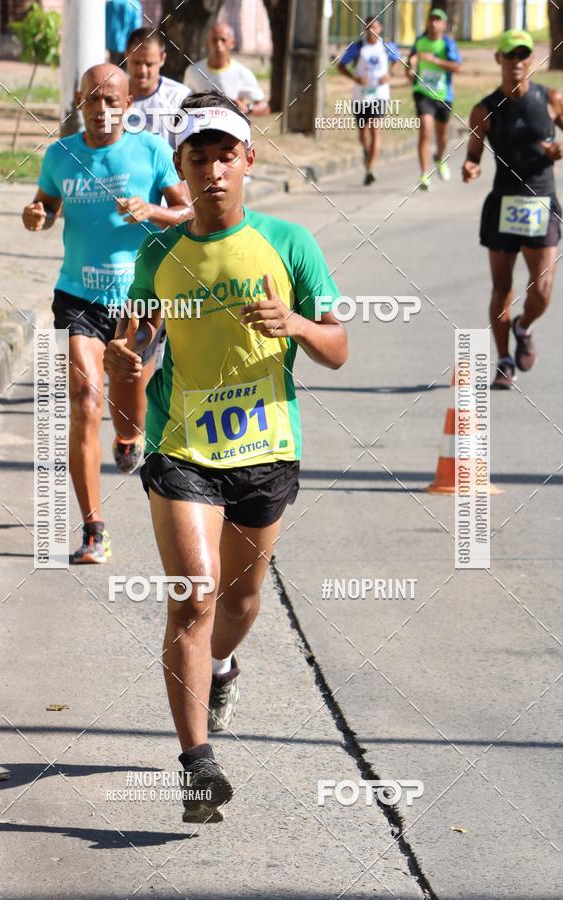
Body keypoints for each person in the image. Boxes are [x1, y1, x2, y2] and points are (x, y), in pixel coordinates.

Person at [104, 91, 347, 823]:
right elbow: (133, 342)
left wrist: (298, 322)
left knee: (240, 603)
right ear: (180, 166)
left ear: (247, 160)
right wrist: (124, 365)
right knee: (196, 595)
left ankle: (221, 664)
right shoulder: (157, 252)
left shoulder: (290, 243)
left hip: (268, 447)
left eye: (224, 156)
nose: (212, 170)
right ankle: (197, 767)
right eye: (198, 157)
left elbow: (338, 349)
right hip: (182, 445)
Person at [22, 64, 193, 563]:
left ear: (127, 103)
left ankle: (128, 435)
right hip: (76, 294)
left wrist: (154, 212)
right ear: (79, 102)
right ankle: (94, 529)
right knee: (83, 399)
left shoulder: (152, 151)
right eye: (91, 99)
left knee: (126, 399)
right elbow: (44, 206)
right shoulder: (60, 154)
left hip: (137, 300)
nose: (101, 109)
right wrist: (36, 216)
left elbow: (189, 211)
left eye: (110, 100)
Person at [462, 30, 563, 389]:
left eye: (523, 54)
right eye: (510, 55)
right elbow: (472, 156)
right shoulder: (484, 109)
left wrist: (558, 150)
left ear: (531, 59)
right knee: (501, 289)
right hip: (504, 204)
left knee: (544, 287)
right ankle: (504, 360)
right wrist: (470, 167)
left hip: (541, 201)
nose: (516, 61)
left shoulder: (551, 99)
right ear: (499, 60)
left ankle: (524, 326)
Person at [407, 8, 461, 190]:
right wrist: (410, 67)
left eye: (438, 20)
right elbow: (411, 61)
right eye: (432, 19)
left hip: (444, 94)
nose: (434, 23)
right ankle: (424, 174)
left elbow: (456, 67)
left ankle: (439, 157)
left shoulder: (447, 44)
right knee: (425, 129)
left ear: (444, 24)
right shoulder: (420, 41)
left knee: (442, 135)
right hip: (423, 92)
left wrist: (434, 60)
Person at [337, 17, 391, 186]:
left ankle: (371, 168)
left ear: (380, 28)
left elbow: (398, 61)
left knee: (376, 129)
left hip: (380, 95)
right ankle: (367, 153)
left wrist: (390, 75)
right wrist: (356, 78)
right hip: (361, 96)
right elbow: (341, 66)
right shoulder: (358, 47)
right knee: (363, 133)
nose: (371, 30)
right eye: (368, 27)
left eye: (374, 26)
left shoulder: (387, 47)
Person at [183, 23, 270, 116]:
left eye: (223, 39)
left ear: (232, 43)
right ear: (208, 42)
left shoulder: (242, 73)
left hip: (229, 128)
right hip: (201, 128)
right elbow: (183, 103)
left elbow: (264, 107)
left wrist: (248, 109)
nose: (218, 44)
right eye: (214, 40)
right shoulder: (193, 71)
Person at [126, 28, 191, 146]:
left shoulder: (180, 97)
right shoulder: (112, 96)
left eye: (149, 64)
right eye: (136, 62)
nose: (142, 70)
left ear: (162, 59)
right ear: (126, 56)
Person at [106, 0, 142, 67]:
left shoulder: (110, 3)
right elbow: (136, 27)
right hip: (128, 44)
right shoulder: (135, 4)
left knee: (114, 69)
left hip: (111, 43)